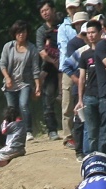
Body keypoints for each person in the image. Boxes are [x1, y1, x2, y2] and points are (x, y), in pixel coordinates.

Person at [77, 16, 106, 157]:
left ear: (100, 32)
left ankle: (100, 156)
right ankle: (89, 157)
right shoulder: (85, 54)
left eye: (93, 32)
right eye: (88, 33)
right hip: (91, 96)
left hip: (103, 95)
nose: (91, 35)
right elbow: (82, 78)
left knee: (103, 130)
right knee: (91, 130)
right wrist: (80, 99)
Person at [0, 20, 42, 143]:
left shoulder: (32, 48)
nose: (21, 34)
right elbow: (2, 64)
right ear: (14, 33)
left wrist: (37, 86)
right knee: (11, 108)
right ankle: (14, 132)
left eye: (23, 31)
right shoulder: (8, 47)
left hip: (25, 82)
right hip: (10, 83)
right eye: (18, 32)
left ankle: (28, 130)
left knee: (23, 104)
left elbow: (35, 69)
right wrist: (7, 78)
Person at [60, 10, 91, 161]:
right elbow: (67, 65)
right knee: (80, 120)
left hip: (93, 89)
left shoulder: (99, 47)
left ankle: (89, 150)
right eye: (85, 34)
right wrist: (77, 80)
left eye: (90, 33)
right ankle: (80, 151)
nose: (88, 37)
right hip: (79, 88)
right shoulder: (76, 47)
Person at [36, 1, 62, 140]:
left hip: (66, 65)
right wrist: (54, 62)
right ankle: (52, 129)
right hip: (49, 68)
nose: (45, 13)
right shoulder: (41, 30)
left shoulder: (63, 24)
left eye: (46, 10)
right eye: (42, 11)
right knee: (48, 98)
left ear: (53, 9)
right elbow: (42, 52)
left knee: (67, 97)